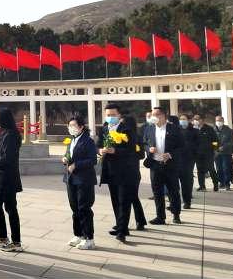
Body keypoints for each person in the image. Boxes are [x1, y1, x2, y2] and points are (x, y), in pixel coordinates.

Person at [97, 104, 141, 243]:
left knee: (124, 201)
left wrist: (115, 151)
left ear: (119, 115)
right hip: (110, 170)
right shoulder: (104, 128)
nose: (110, 117)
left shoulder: (127, 129)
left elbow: (132, 150)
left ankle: (122, 231)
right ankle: (121, 225)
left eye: (113, 115)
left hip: (125, 170)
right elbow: (98, 145)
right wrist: (100, 150)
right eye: (108, 115)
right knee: (115, 200)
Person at [0, 109, 23, 252]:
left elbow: (8, 159)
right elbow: (0, 154)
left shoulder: (11, 135)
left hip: (8, 179)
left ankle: (16, 242)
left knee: (10, 209)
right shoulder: (4, 133)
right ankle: (2, 236)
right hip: (0, 178)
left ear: (3, 118)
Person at [143, 106, 184, 225]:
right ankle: (160, 217)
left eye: (156, 115)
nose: (153, 117)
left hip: (170, 165)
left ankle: (176, 215)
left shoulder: (174, 129)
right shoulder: (149, 129)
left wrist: (170, 154)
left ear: (163, 116)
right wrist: (149, 149)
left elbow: (182, 146)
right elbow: (144, 143)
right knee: (157, 192)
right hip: (155, 165)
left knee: (173, 191)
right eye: (152, 115)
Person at [63, 116, 97, 250]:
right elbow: (69, 155)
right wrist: (65, 158)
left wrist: (77, 165)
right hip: (71, 178)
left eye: (73, 125)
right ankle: (78, 235)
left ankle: (89, 238)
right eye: (69, 125)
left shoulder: (88, 141)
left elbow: (93, 160)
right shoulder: (71, 140)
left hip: (84, 179)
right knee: (75, 208)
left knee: (84, 208)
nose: (71, 128)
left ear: (81, 127)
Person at [177, 115, 199, 208]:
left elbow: (198, 145)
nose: (182, 121)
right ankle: (175, 202)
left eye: (184, 119)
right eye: (181, 119)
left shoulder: (194, 131)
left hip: (188, 160)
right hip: (176, 159)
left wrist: (192, 151)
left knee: (186, 182)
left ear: (188, 120)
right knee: (174, 183)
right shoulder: (176, 130)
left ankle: (187, 201)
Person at [194, 115, 219, 192]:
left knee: (211, 169)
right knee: (200, 170)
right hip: (198, 153)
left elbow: (215, 140)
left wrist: (215, 149)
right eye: (194, 119)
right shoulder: (194, 129)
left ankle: (216, 185)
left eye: (197, 119)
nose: (196, 121)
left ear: (202, 120)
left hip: (208, 153)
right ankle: (202, 186)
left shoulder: (209, 129)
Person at [214, 116, 233, 191]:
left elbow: (231, 141)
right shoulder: (213, 130)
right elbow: (213, 140)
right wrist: (216, 148)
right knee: (219, 168)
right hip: (217, 153)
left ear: (223, 121)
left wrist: (223, 147)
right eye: (217, 120)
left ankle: (227, 183)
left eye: (220, 120)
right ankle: (221, 182)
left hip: (226, 152)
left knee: (226, 168)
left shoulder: (228, 130)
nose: (218, 122)